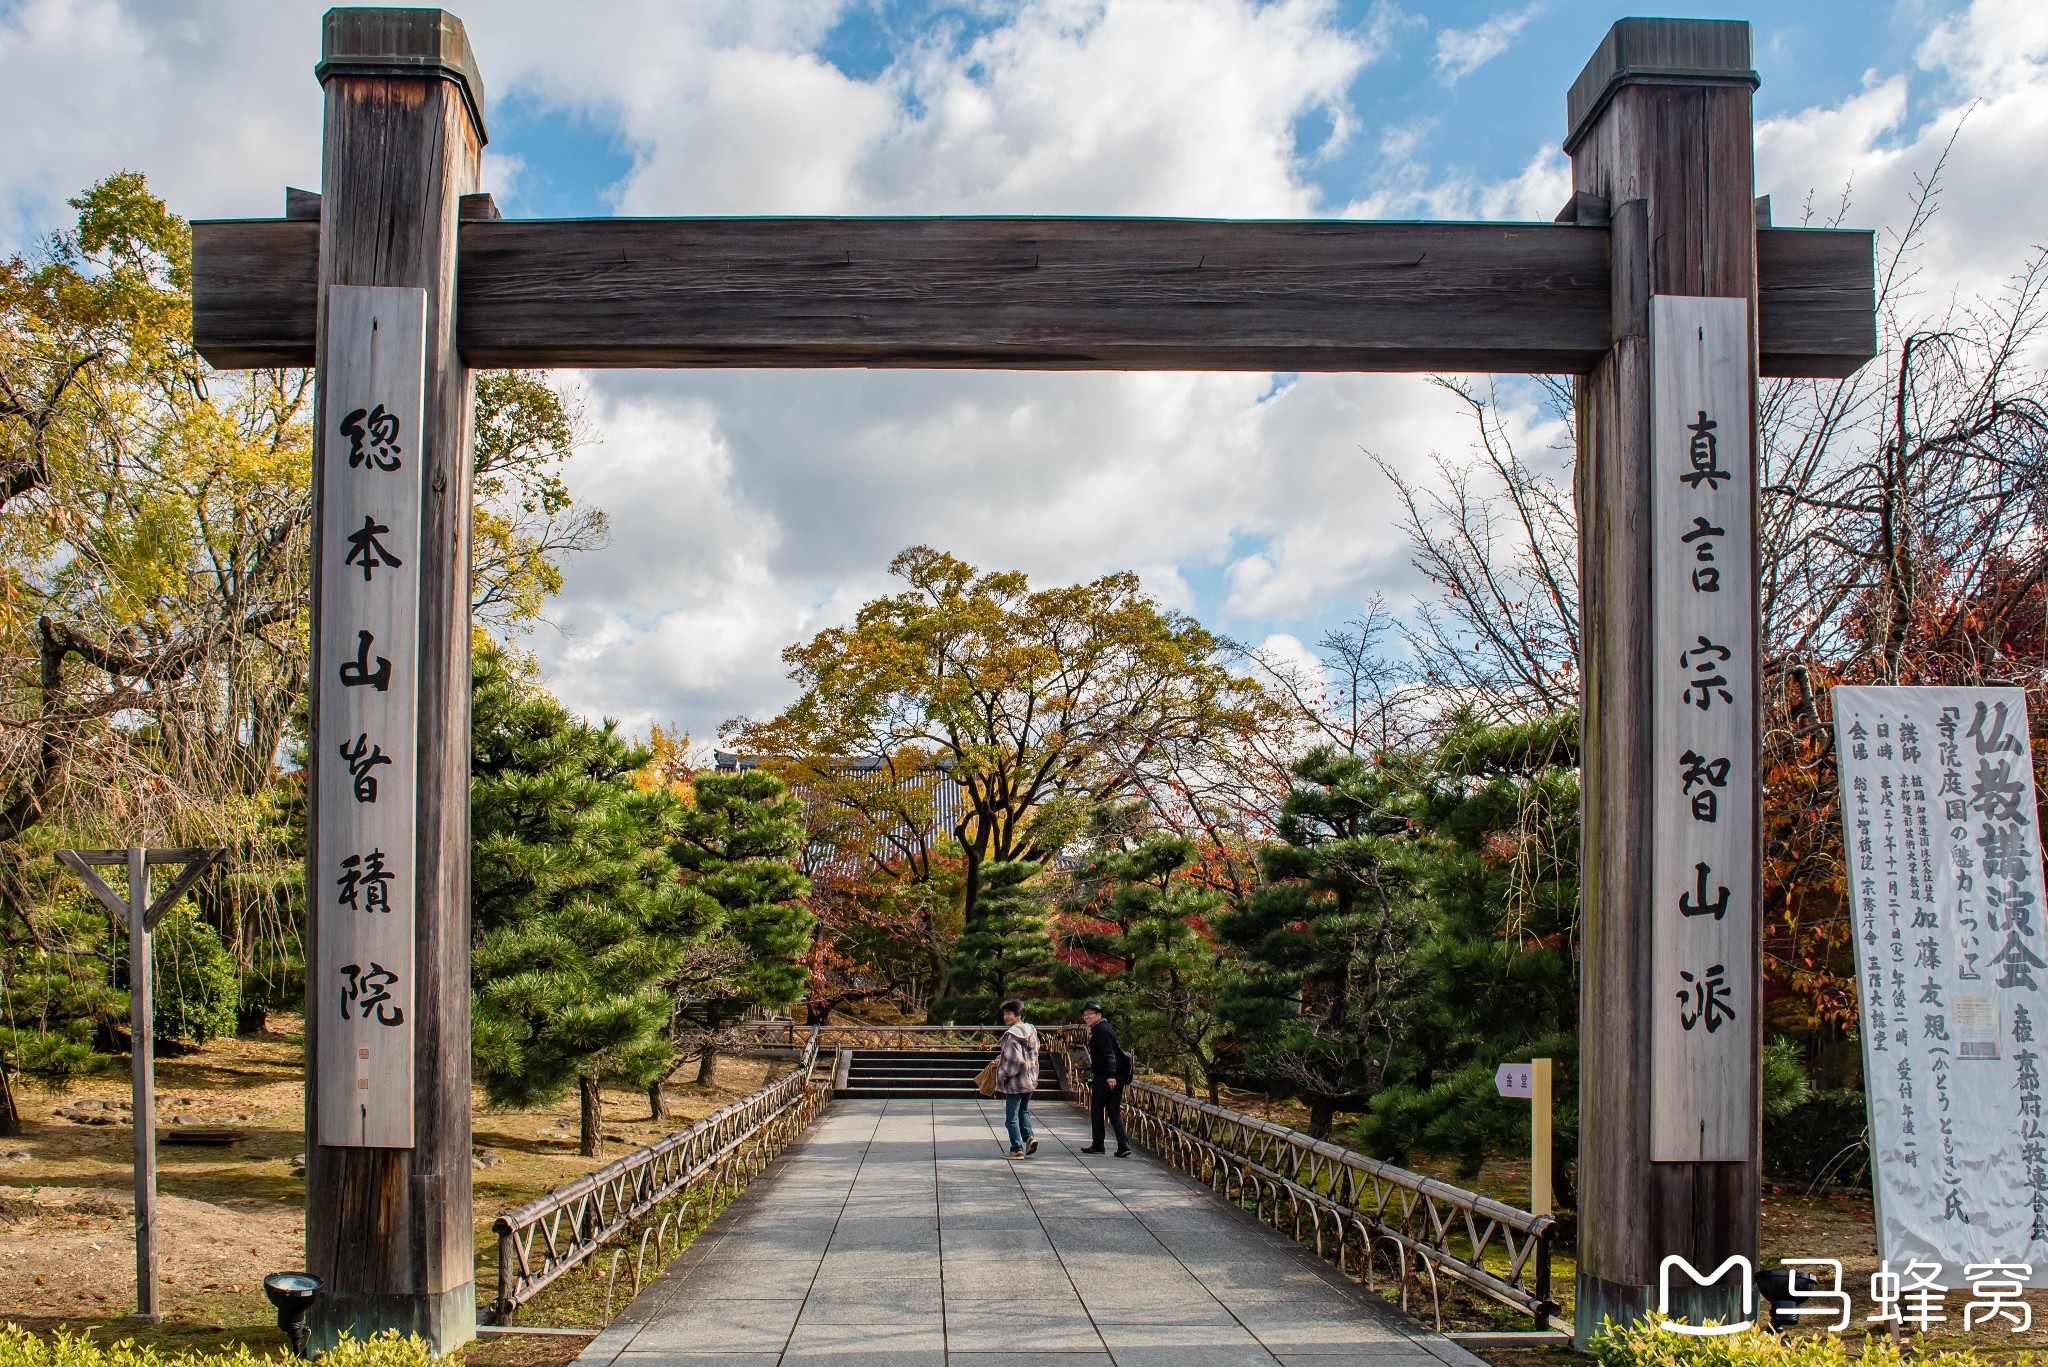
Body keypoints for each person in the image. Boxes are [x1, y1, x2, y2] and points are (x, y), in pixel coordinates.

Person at [1078, 1001, 1131, 1156]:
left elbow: (1109, 1054)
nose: (1086, 1017)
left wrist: (1110, 1075)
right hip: (1116, 1075)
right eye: (1085, 1015)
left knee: (1097, 1110)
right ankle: (1123, 1145)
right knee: (1113, 1111)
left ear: (1099, 1015)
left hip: (1106, 1076)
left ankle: (1098, 1144)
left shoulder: (1101, 1030)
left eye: (1090, 1014)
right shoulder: (1104, 1028)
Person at [994, 999, 1040, 1158]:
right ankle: (1029, 1138)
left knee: (1011, 1118)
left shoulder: (1012, 1034)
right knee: (1024, 1111)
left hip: (1015, 1083)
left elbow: (1015, 1060)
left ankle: (1016, 1148)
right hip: (1030, 1080)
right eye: (1004, 1014)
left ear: (1018, 1015)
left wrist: (1002, 1073)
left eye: (1009, 1013)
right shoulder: (1031, 1031)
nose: (1005, 1017)